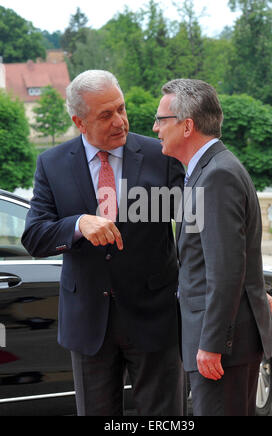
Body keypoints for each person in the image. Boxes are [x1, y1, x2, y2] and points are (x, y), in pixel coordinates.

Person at [22, 70, 185, 416]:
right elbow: (34, 236)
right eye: (106, 115)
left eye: (121, 109)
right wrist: (78, 224)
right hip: (89, 323)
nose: (120, 122)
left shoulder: (162, 155)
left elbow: (198, 227)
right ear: (79, 122)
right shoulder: (51, 164)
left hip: (155, 318)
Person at [153, 78, 272, 416]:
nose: (155, 128)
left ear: (187, 125)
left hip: (223, 349)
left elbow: (225, 271)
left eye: (161, 119)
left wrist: (212, 344)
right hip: (222, 342)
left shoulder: (217, 176)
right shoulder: (208, 171)